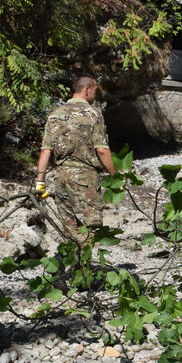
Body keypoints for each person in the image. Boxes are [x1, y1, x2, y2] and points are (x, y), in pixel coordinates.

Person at [36, 73, 116, 245]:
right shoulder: (93, 113)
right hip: (84, 179)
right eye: (95, 91)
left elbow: (45, 151)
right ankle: (85, 268)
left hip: (60, 178)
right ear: (87, 90)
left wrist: (40, 182)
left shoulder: (54, 115)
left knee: (70, 230)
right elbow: (101, 150)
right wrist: (115, 176)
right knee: (90, 228)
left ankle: (72, 268)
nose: (95, 95)